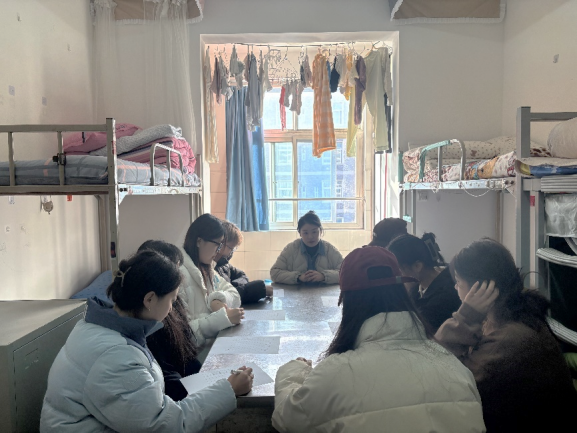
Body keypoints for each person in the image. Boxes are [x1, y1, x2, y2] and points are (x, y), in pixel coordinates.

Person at [272, 246, 486, 433]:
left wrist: (293, 371)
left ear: (348, 302)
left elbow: (287, 418)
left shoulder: (335, 375)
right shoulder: (455, 369)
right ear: (402, 292)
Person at [40, 250, 253, 432]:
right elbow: (166, 425)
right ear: (150, 299)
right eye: (172, 300)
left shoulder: (98, 327)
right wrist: (228, 390)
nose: (172, 309)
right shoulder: (115, 357)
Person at [435, 238, 577, 433]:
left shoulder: (511, 340)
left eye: (458, 282)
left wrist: (465, 317)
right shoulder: (515, 318)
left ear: (479, 288)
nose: (455, 287)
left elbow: (440, 376)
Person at [137, 240, 201, 401]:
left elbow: (187, 353)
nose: (178, 278)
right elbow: (166, 378)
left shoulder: (173, 302)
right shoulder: (150, 316)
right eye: (174, 270)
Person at [180, 214, 244, 353]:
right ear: (199, 241)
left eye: (221, 245)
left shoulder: (207, 268)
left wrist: (217, 299)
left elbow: (234, 294)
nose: (219, 251)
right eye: (217, 244)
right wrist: (223, 318)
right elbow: (184, 334)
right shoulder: (180, 275)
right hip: (195, 355)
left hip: (212, 348)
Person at [388, 232, 461, 332]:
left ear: (417, 266)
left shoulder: (443, 298)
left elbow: (414, 331)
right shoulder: (419, 286)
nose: (396, 276)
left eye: (399, 270)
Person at [270, 211, 343, 285]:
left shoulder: (330, 250)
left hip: (325, 291)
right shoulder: (291, 249)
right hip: (296, 291)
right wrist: (298, 277)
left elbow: (345, 273)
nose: (310, 237)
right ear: (300, 233)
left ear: (320, 231)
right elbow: (274, 273)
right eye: (305, 233)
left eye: (314, 232)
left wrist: (324, 276)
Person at [215, 220, 273, 303]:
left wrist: (233, 287)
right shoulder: (212, 267)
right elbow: (227, 297)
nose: (231, 252)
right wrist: (262, 289)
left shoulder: (224, 264)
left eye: (233, 249)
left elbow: (242, 275)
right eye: (230, 248)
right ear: (221, 243)